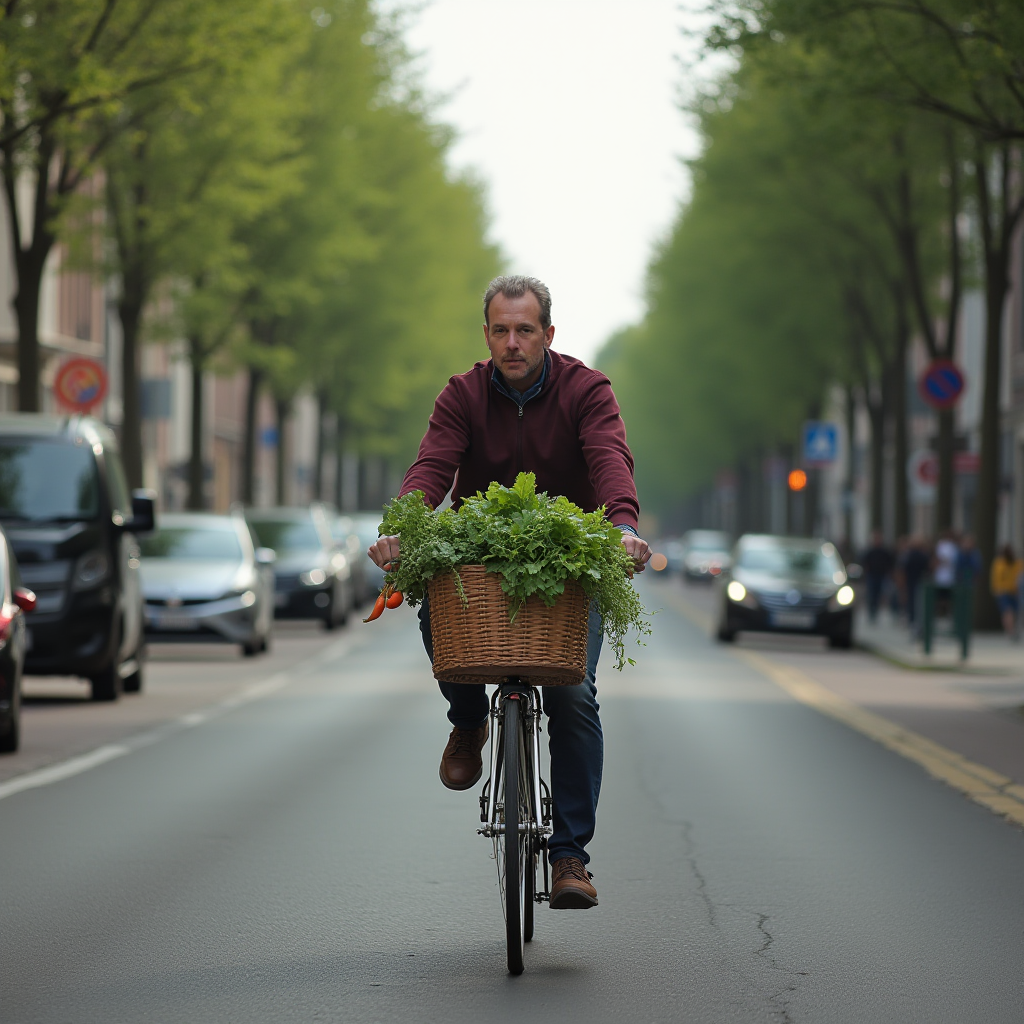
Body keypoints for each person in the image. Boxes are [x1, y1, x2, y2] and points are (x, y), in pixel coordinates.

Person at [368, 275, 651, 910]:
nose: (513, 343)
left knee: (574, 695)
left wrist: (624, 527)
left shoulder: (587, 391)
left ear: (549, 335)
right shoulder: (463, 395)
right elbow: (433, 466)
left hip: (570, 561)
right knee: (438, 618)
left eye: (526, 330)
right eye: (501, 330)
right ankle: (468, 721)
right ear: (487, 334)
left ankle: (570, 856)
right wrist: (399, 530)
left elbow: (609, 458)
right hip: (481, 557)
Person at [860, 529, 895, 622]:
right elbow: (864, 563)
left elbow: (890, 563)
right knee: (872, 595)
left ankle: (876, 612)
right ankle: (872, 613)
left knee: (880, 595)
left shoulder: (885, 551)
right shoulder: (869, 551)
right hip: (871, 576)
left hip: (882, 576)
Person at [989, 544, 1023, 639]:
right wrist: (996, 589)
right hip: (1003, 591)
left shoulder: (1017, 563)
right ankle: (1010, 632)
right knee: (1008, 612)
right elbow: (995, 578)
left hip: (1014, 591)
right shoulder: (999, 563)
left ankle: (1012, 630)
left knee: (1014, 612)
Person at [901, 536, 931, 632]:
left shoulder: (908, 555)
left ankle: (913, 623)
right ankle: (916, 624)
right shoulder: (923, 555)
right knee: (918, 604)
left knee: (913, 603)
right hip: (919, 583)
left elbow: (903, 570)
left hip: (913, 582)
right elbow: (929, 569)